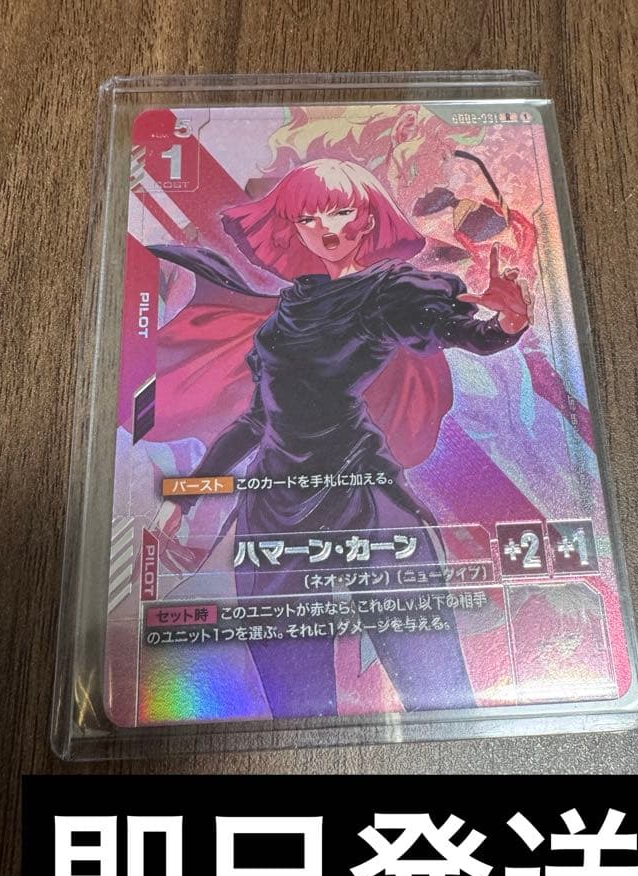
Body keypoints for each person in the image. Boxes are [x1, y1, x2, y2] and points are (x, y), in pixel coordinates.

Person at [149, 158, 531, 718]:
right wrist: (184, 496)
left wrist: (506, 325)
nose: (325, 229)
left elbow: (459, 330)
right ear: (293, 228)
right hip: (275, 511)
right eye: (309, 218)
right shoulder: (287, 312)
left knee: (437, 691)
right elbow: (256, 421)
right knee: (296, 707)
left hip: (363, 496)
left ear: (369, 217)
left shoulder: (388, 291)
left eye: (340, 212)